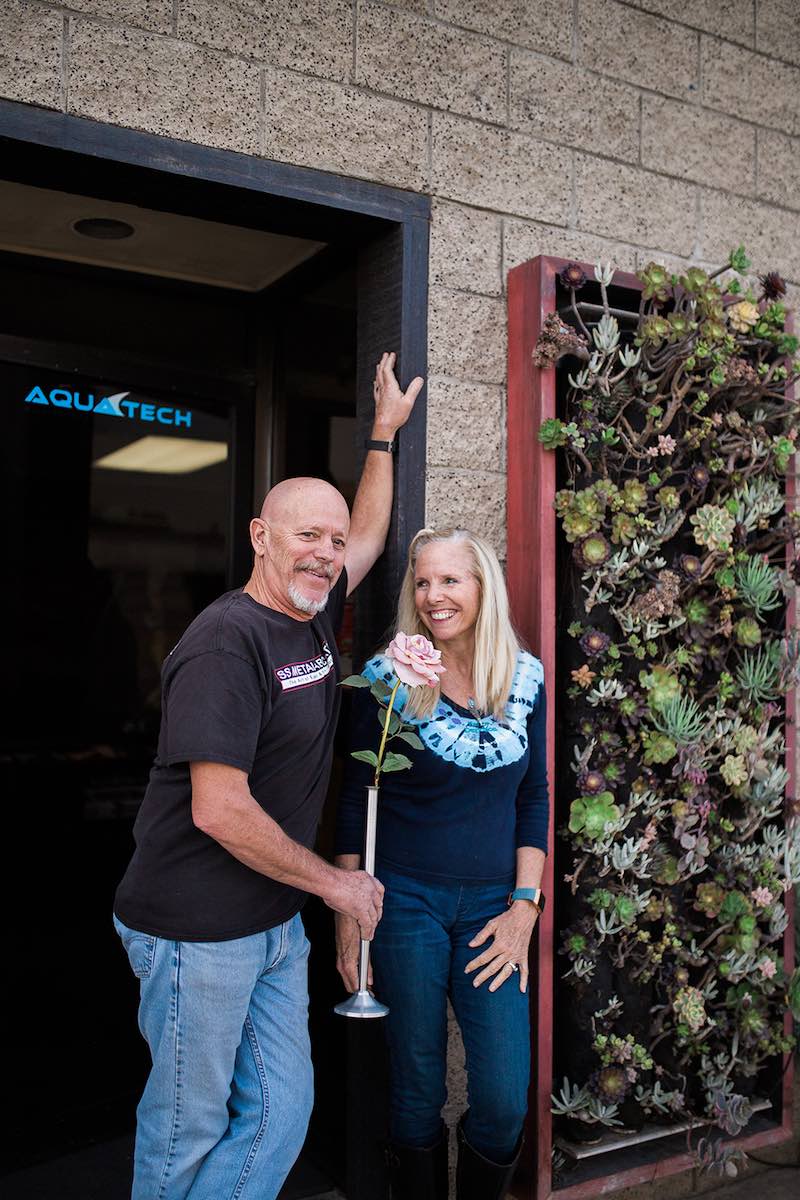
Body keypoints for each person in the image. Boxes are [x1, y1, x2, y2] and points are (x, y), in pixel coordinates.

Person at [113, 352, 423, 1200]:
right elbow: (219, 809)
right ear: (260, 536)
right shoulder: (228, 642)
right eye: (304, 536)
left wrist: (385, 435)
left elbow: (365, 534)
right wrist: (335, 888)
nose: (326, 554)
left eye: (328, 542)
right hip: (193, 927)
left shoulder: (312, 613)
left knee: (283, 1112)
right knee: (187, 1128)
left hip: (270, 922)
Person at [335, 527, 549, 1200]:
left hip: (493, 912)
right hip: (407, 906)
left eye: (450, 580)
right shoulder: (387, 682)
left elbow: (535, 795)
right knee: (417, 1085)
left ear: (483, 587)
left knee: (502, 1097)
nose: (433, 596)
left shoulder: (522, 679)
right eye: (422, 582)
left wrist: (524, 908)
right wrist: (348, 913)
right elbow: (355, 795)